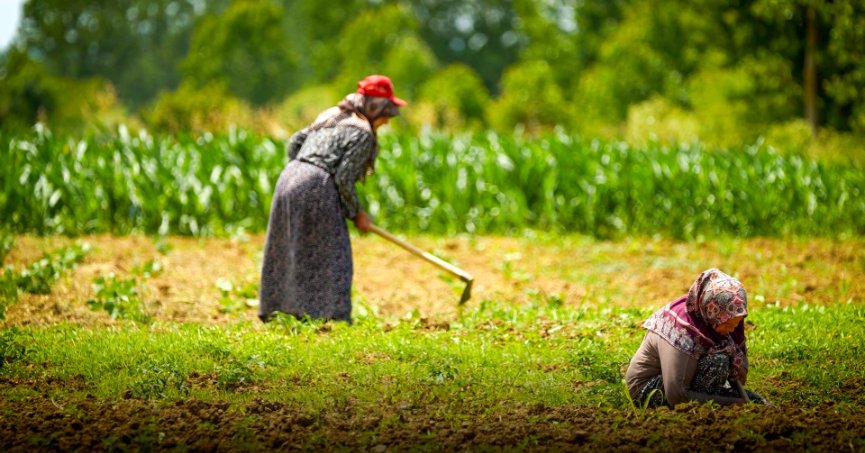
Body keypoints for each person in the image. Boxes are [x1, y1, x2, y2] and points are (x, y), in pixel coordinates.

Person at [258, 75, 406, 323]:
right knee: (333, 254)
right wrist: (358, 213)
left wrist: (300, 172)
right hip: (316, 184)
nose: (386, 122)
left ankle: (280, 311)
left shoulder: (332, 116)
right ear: (375, 109)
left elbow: (295, 142)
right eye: (385, 116)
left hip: (290, 176)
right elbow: (344, 178)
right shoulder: (362, 133)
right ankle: (328, 316)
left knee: (291, 247)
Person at [625, 268, 769, 408]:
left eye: (736, 324)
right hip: (647, 389)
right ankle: (704, 407)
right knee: (717, 361)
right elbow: (676, 396)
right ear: (713, 312)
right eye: (727, 323)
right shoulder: (681, 329)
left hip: (682, 379)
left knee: (722, 363)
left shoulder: (710, 319)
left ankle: (711, 401)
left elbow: (733, 373)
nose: (732, 330)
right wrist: (733, 404)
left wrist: (744, 399)